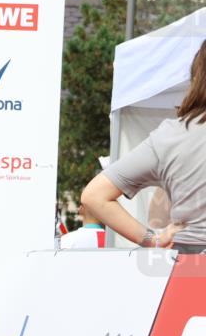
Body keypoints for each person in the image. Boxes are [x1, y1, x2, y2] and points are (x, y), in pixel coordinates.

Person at [81, 40, 206, 254]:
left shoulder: (170, 135)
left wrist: (152, 240)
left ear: (196, 79)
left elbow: (94, 195)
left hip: (190, 263)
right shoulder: (169, 135)